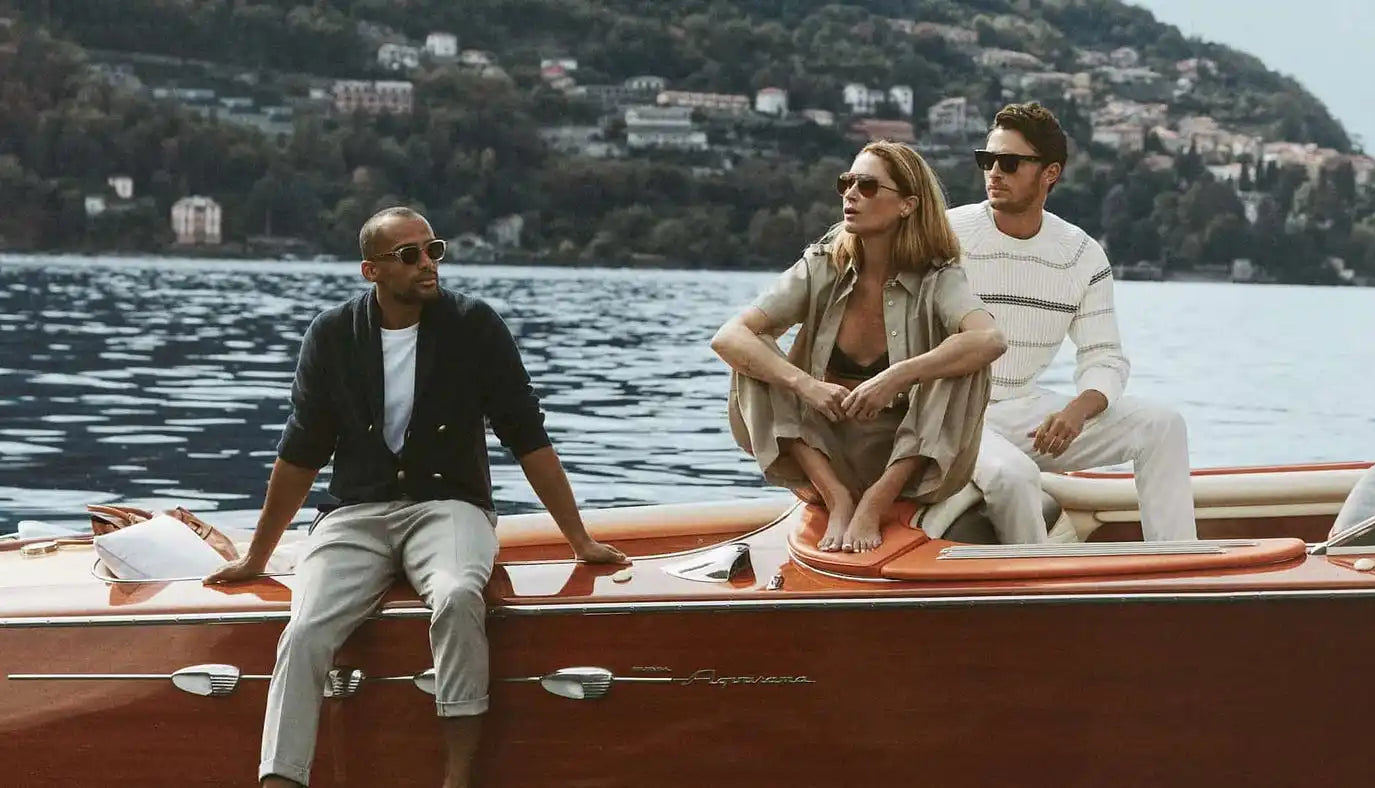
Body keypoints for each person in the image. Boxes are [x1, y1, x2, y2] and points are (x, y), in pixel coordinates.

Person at [203, 206, 628, 788]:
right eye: (410, 255)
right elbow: (299, 454)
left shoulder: (474, 326)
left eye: (434, 250)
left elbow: (526, 436)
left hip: (449, 507)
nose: (428, 264)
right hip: (353, 514)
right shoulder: (331, 337)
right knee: (303, 632)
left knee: (456, 596)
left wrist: (578, 540)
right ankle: (281, 779)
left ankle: (457, 778)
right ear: (371, 270)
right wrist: (256, 558)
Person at [713, 140, 1008, 553]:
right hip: (823, 450)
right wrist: (805, 385)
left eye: (867, 186)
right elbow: (728, 335)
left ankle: (875, 500)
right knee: (750, 353)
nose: (850, 193)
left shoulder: (939, 278)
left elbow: (990, 339)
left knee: (967, 360)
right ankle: (837, 497)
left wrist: (899, 374)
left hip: (904, 460)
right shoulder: (820, 266)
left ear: (907, 205)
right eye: (846, 182)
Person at [948, 102, 1198, 544]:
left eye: (1009, 162)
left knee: (1162, 424)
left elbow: (1105, 356)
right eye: (987, 160)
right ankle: (1040, 592)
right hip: (949, 413)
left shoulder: (1080, 254)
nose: (994, 173)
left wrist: (1075, 412)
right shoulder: (946, 235)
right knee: (1016, 477)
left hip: (1023, 409)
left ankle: (1175, 565)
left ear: (1050, 173)